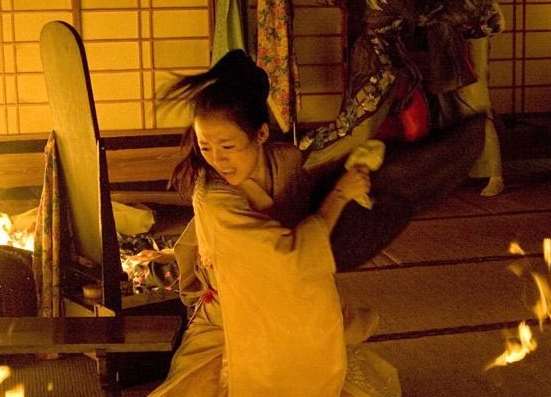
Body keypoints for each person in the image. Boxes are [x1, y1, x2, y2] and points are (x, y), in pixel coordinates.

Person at [149, 50, 401, 396]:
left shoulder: (289, 161)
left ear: (261, 134)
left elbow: (321, 194)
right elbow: (288, 257)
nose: (217, 159)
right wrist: (341, 194)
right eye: (205, 147)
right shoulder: (213, 196)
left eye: (227, 146)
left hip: (291, 301)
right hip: (234, 313)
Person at [299, 0, 428, 179]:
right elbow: (419, 16)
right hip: (374, 60)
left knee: (366, 124)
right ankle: (306, 171)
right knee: (359, 128)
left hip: (388, 59)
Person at [433, 0, 506, 197]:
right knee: (451, 110)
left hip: (471, 49)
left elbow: (456, 9)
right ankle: (460, 170)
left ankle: (495, 173)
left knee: (476, 107)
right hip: (448, 47)